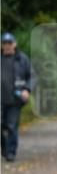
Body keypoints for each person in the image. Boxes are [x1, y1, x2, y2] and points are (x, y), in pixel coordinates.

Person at [1, 32, 33, 162]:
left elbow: (31, 76)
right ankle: (5, 147)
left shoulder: (22, 59)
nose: (7, 46)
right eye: (4, 43)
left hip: (15, 99)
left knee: (12, 126)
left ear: (15, 44)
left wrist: (27, 89)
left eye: (10, 43)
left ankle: (11, 152)